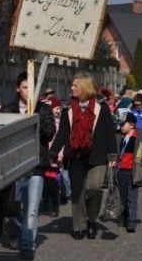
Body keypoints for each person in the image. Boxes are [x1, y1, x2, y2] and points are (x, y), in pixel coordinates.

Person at [50, 72, 118, 240]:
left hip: (98, 156)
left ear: (84, 87)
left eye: (75, 85)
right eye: (72, 85)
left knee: (94, 188)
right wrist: (53, 152)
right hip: (76, 156)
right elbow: (62, 133)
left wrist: (112, 156)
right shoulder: (68, 109)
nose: (71, 88)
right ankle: (79, 225)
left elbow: (110, 132)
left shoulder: (100, 107)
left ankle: (92, 220)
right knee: (78, 191)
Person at [2, 72, 56, 260]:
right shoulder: (8, 109)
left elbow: (49, 133)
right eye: (25, 87)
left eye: (32, 88)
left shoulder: (43, 109)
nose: (28, 91)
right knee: (13, 207)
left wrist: (35, 119)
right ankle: (16, 233)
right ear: (18, 88)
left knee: (32, 207)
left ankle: (27, 245)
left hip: (36, 165)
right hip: (13, 166)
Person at [114, 113, 142, 233]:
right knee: (123, 197)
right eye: (119, 125)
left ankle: (131, 222)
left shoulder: (141, 140)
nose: (120, 127)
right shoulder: (118, 137)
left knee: (132, 198)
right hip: (120, 172)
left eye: (122, 125)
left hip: (134, 172)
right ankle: (124, 216)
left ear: (131, 125)